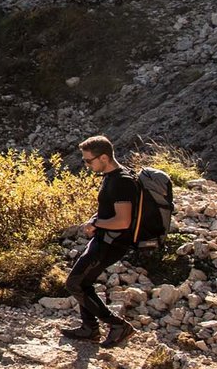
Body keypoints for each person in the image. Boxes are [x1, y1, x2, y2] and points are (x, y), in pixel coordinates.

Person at [60, 135, 138, 348]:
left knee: (74, 283)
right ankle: (89, 329)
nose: (86, 165)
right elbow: (108, 209)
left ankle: (117, 325)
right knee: (83, 283)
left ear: (104, 157)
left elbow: (122, 221)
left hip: (111, 243)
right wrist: (95, 220)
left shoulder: (122, 181)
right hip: (103, 239)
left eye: (88, 160)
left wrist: (98, 224)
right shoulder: (110, 176)